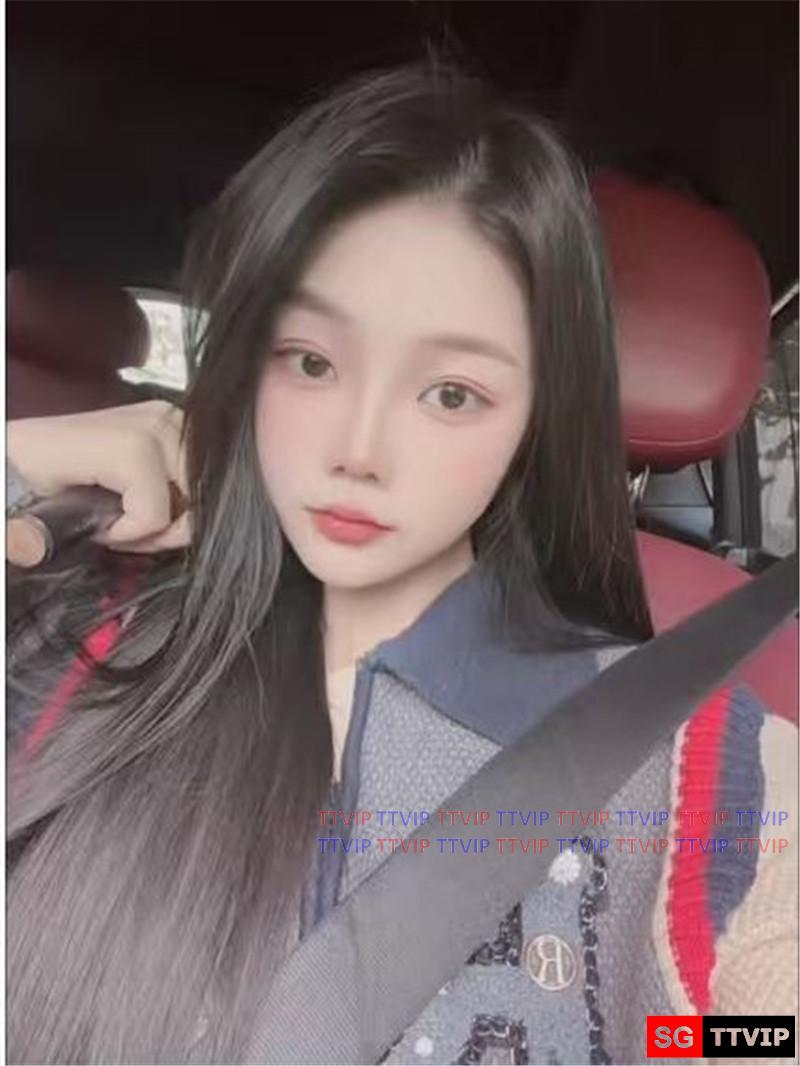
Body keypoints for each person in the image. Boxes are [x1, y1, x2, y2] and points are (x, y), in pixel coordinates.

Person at [6, 59, 797, 1066]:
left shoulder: (700, 767)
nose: (359, 449)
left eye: (451, 394)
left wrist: (681, 1045)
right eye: (312, 362)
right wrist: (15, 467)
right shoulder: (66, 633)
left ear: (532, 419)